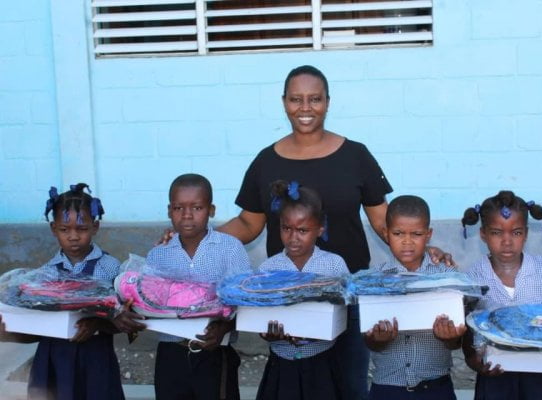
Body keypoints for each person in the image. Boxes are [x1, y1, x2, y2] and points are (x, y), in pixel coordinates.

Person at [159, 64, 453, 399]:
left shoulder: (356, 156)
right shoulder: (266, 161)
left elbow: (383, 221)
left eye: (314, 99)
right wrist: (194, 237)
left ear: (328, 102)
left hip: (348, 295)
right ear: (284, 102)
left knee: (349, 385)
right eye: (296, 99)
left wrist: (425, 248)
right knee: (295, 381)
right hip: (288, 296)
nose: (305, 107)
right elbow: (248, 224)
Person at [0, 183, 126, 400]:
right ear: (53, 229)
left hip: (95, 358)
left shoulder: (111, 268)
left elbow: (125, 320)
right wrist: (8, 330)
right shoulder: (45, 274)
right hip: (54, 359)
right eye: (64, 229)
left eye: (82, 229)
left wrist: (98, 324)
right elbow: (36, 326)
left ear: (95, 227)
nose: (73, 236)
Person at [145, 173, 252, 400]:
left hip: (214, 351)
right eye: (178, 208)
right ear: (169, 211)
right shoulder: (158, 254)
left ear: (211, 210)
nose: (187, 216)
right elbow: (146, 301)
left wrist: (224, 327)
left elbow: (246, 298)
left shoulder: (230, 249)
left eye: (197, 207)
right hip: (171, 354)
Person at [461, 190, 542, 400]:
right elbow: (467, 325)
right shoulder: (474, 276)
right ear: (483, 234)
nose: (507, 241)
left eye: (516, 232)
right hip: (495, 375)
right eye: (496, 232)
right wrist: (472, 360)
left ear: (526, 234)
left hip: (540, 372)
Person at [256, 180, 349, 400]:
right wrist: (266, 333)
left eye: (303, 230)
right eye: (286, 228)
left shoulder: (334, 265)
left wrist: (318, 328)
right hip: (281, 365)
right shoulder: (268, 269)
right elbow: (258, 316)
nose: (293, 237)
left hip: (321, 364)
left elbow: (346, 311)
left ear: (320, 229)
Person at [364, 195, 464, 400]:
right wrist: (378, 340)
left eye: (416, 234)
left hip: (435, 386)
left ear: (428, 235)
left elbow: (457, 342)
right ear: (386, 233)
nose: (407, 242)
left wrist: (451, 337)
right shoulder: (373, 281)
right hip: (387, 387)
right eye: (398, 233)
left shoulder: (447, 278)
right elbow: (369, 341)